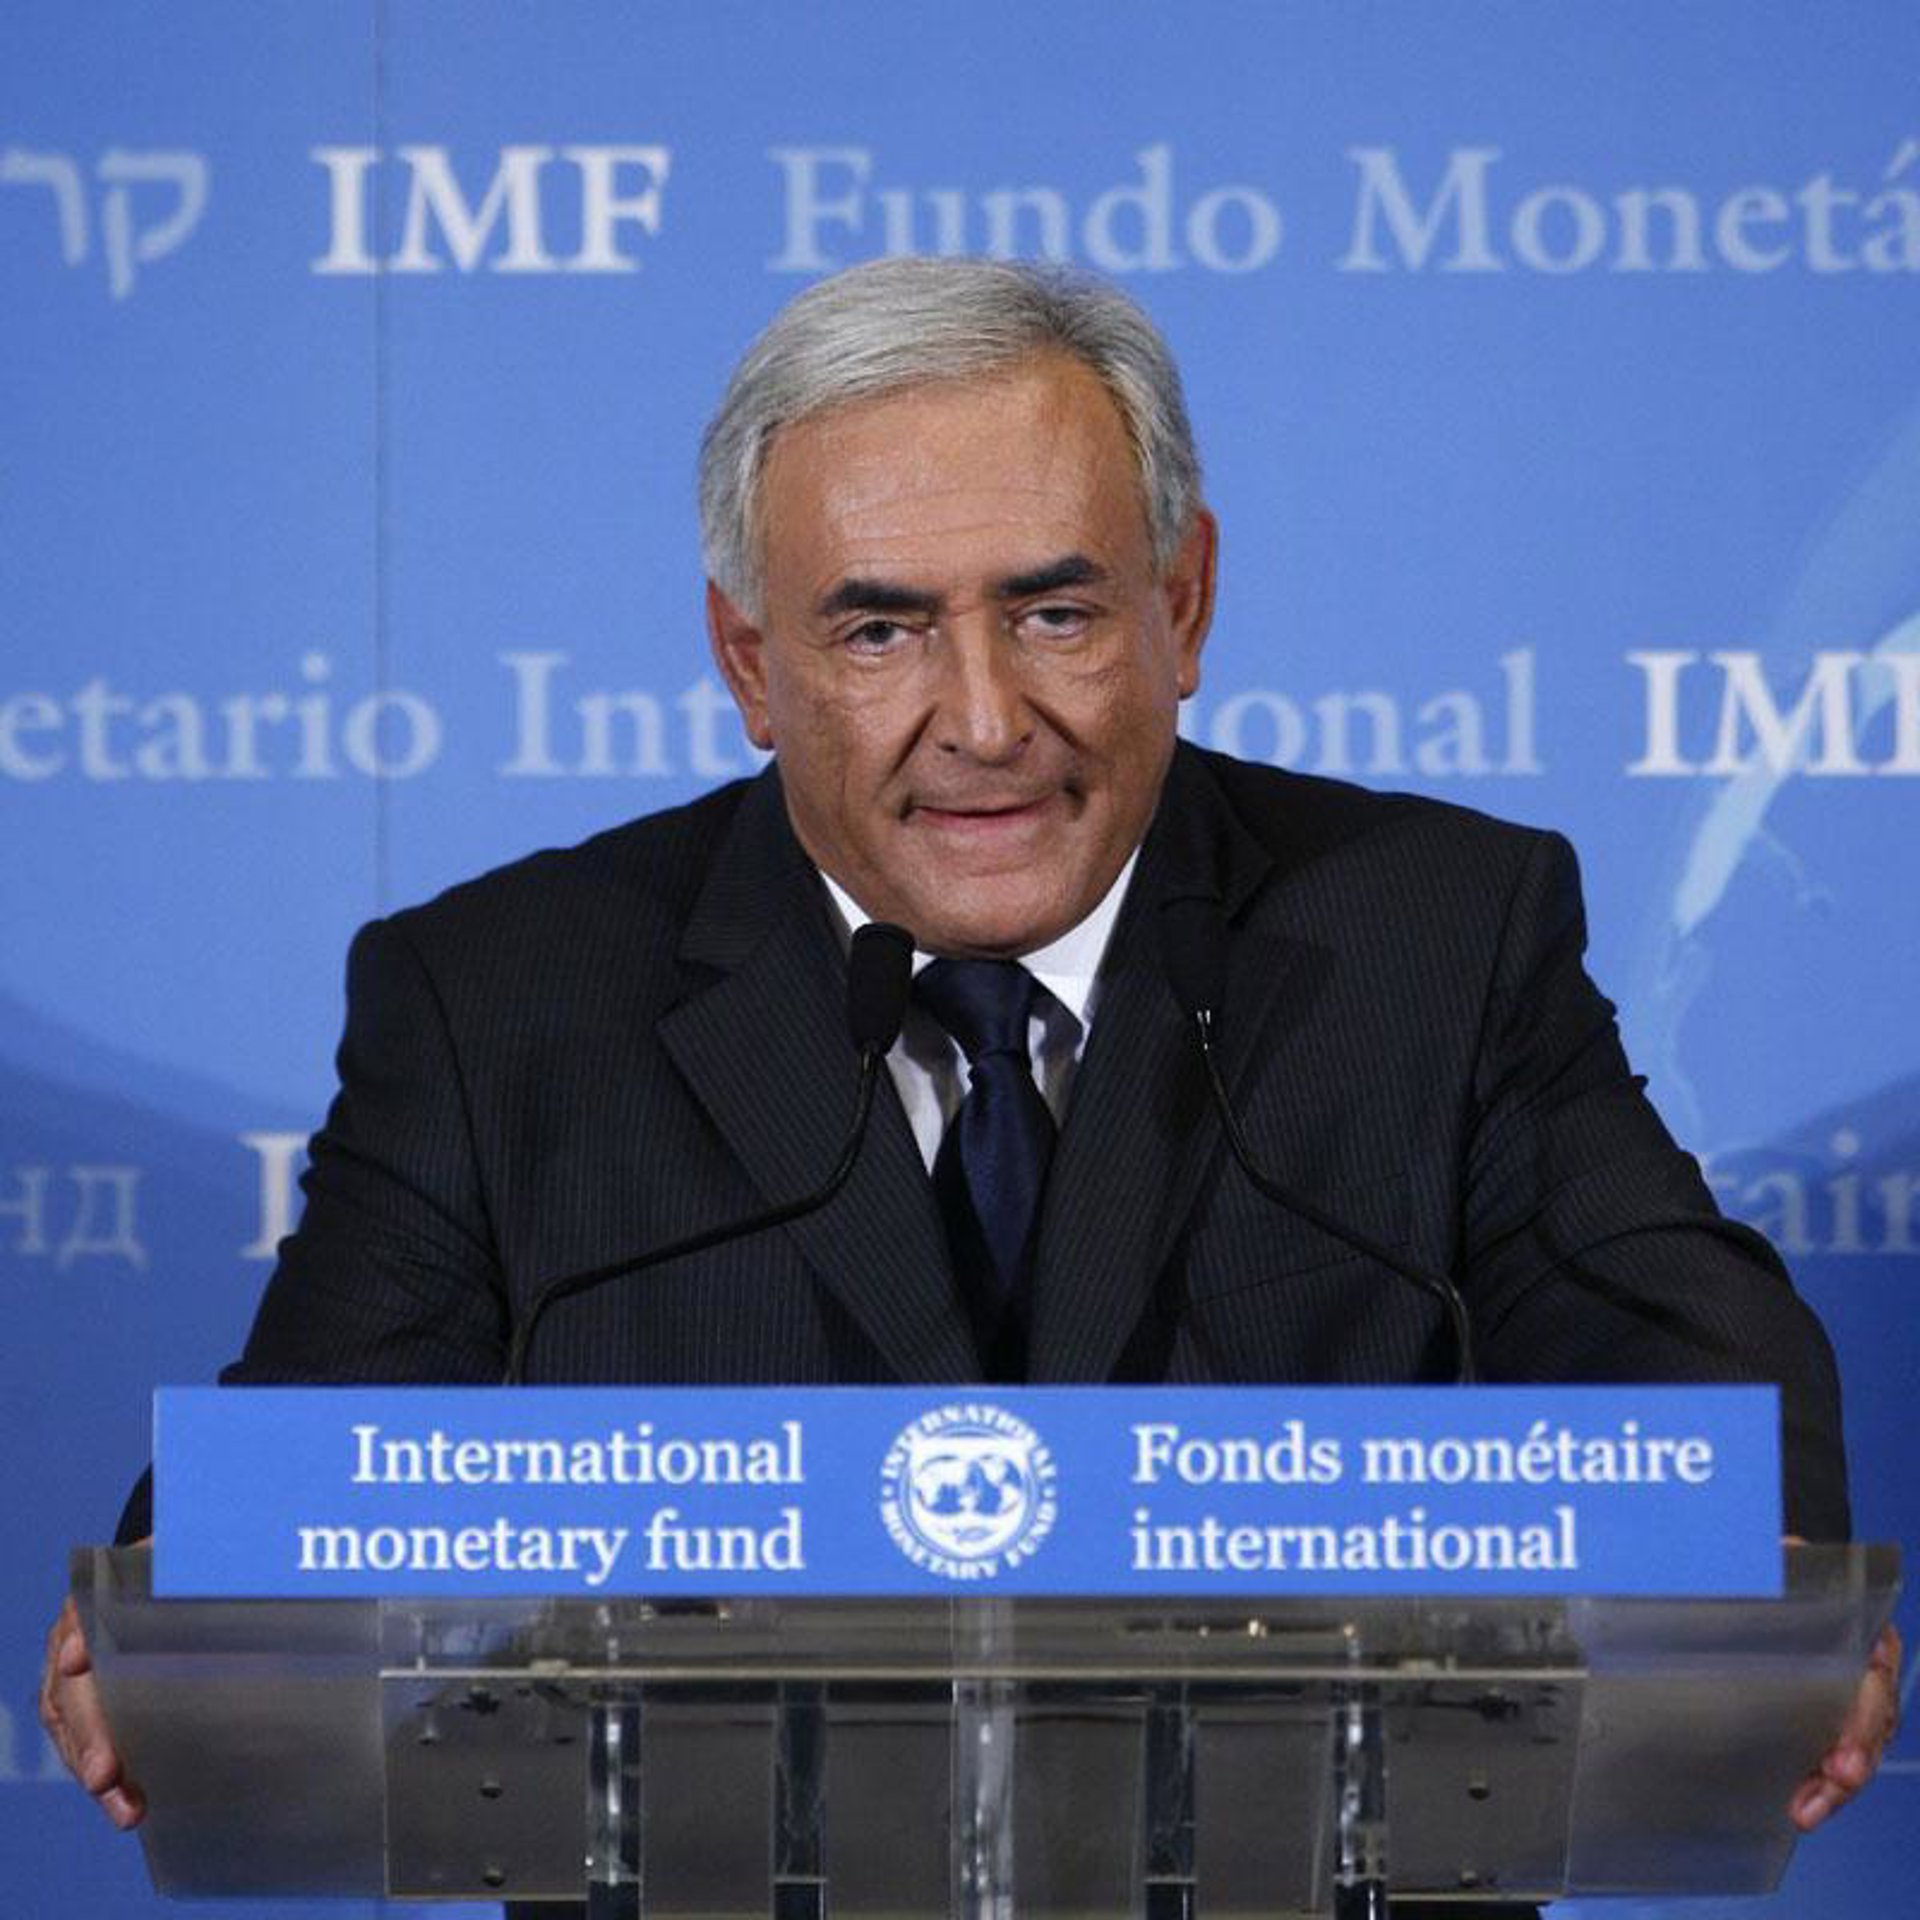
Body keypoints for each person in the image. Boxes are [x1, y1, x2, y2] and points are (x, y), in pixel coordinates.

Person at [43, 257, 1898, 1891]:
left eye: (1056, 612)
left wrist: (1773, 1571)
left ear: (1186, 604)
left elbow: (1672, 1336)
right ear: (749, 662)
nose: (988, 719)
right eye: (880, 630)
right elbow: (318, 1453)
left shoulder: (1433, 937)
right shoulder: (504, 1003)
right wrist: (177, 1619)